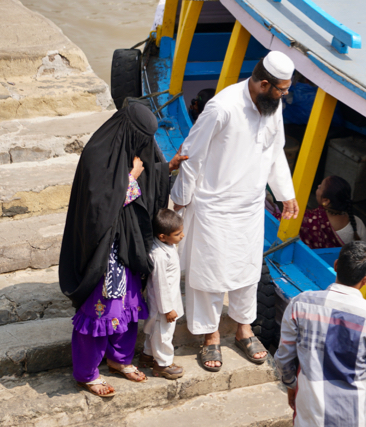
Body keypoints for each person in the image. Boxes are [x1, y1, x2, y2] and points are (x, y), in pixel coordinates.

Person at [171, 51, 299, 372]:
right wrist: (180, 202)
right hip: (214, 207)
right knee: (209, 275)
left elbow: (274, 151)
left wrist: (286, 194)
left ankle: (243, 329)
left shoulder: (274, 106)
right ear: (264, 83)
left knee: (247, 271)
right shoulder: (222, 107)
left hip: (251, 206)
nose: (285, 95)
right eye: (281, 89)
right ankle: (210, 336)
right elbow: (191, 155)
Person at [59, 103, 187, 397]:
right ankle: (87, 373)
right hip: (102, 253)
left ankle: (119, 359)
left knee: (128, 308)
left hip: (127, 250)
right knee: (99, 311)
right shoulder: (97, 155)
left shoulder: (130, 153)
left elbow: (144, 176)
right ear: (130, 133)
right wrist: (131, 177)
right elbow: (98, 205)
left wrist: (165, 168)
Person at [274, 241, 366, 427]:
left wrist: (291, 384)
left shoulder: (300, 304)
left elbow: (284, 357)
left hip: (309, 412)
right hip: (354, 417)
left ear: (336, 265)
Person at [140, 208, 186, 380]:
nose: (182, 236)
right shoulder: (158, 254)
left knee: (155, 331)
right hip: (162, 305)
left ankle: (147, 355)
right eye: (177, 234)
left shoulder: (167, 245)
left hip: (168, 299)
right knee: (163, 333)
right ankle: (163, 364)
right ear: (162, 236)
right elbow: (160, 284)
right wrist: (167, 309)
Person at [292, 175, 366, 249]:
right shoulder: (358, 223)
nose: (318, 186)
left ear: (325, 201)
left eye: (321, 187)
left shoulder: (307, 219)